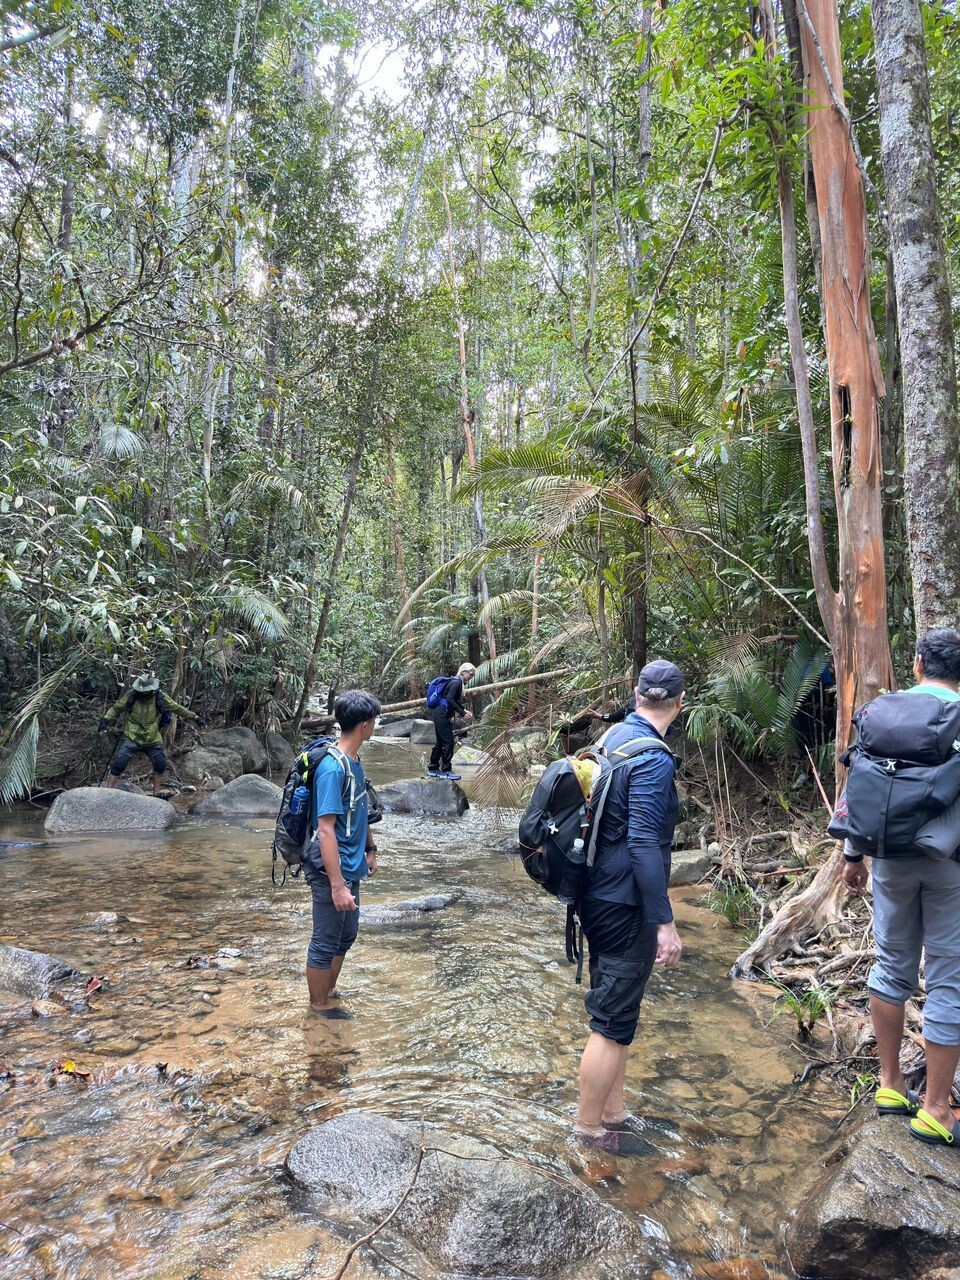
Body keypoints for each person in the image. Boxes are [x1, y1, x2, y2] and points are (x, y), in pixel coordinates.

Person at [843, 628, 960, 1148]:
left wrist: (852, 855)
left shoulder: (879, 711)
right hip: (950, 862)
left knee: (890, 965)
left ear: (916, 665)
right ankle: (936, 1109)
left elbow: (858, 784)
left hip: (887, 855)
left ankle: (890, 1085)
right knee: (948, 975)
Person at [574, 659, 685, 1154]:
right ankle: (589, 1131)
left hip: (594, 891)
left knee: (616, 1011)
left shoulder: (613, 737)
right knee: (611, 1020)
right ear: (680, 703)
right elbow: (643, 844)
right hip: (624, 903)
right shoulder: (655, 760)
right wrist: (664, 922)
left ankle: (614, 1115)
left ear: (636, 693)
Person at [304, 688, 381, 1018]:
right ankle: (318, 1008)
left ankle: (329, 992)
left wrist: (370, 848)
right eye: (375, 720)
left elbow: (360, 811)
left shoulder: (355, 762)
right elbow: (325, 829)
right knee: (324, 941)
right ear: (365, 725)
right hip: (330, 870)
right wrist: (337, 885)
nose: (376, 725)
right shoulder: (333, 769)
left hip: (352, 865)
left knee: (346, 934)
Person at [99, 670, 203, 797]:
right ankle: (107, 794)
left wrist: (195, 717)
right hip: (132, 735)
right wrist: (106, 719)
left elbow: (177, 708)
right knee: (119, 763)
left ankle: (156, 795)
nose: (143, 691)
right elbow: (116, 707)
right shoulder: (132, 695)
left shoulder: (160, 697)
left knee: (160, 764)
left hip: (152, 737)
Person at [427, 662, 476, 781]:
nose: (471, 677)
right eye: (471, 674)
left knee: (441, 742)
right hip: (441, 713)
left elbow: (451, 699)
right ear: (463, 672)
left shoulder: (455, 681)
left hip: (439, 712)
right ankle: (446, 770)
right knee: (448, 741)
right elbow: (449, 699)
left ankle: (433, 768)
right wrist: (463, 713)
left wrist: (463, 710)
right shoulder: (457, 682)